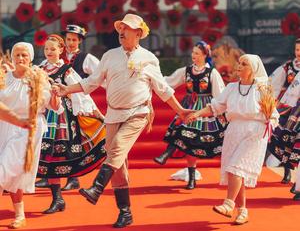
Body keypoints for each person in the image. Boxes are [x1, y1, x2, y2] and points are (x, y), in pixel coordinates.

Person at [53, 13, 192, 228]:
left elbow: (162, 89)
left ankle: (97, 187)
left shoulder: (148, 58)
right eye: (121, 27)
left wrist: (180, 110)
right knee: (118, 165)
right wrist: (67, 89)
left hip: (138, 112)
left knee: (116, 149)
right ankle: (125, 212)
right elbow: (92, 82)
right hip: (113, 114)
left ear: (138, 34)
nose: (122, 31)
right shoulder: (109, 56)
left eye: (127, 28)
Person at [185, 54, 279, 225]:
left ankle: (228, 204)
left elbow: (273, 115)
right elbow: (215, 107)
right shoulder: (231, 88)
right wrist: (196, 114)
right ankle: (242, 211)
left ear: (253, 69)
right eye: (239, 63)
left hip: (254, 133)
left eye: (244, 64)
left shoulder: (262, 88)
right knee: (236, 172)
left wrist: (268, 126)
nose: (239, 66)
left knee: (236, 167)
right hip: (234, 131)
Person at [36, 34, 106, 214]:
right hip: (42, 115)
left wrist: (94, 112)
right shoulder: (39, 69)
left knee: (57, 155)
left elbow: (81, 92)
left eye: (53, 49)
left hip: (62, 118)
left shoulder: (66, 70)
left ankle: (60, 196)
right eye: (46, 49)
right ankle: (57, 198)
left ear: (61, 50)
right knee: (46, 156)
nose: (49, 52)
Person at [0, 42, 61, 229]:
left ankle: (20, 215)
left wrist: (55, 94)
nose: (20, 59)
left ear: (31, 57)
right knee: (13, 175)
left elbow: (55, 107)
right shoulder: (4, 78)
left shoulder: (39, 78)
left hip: (29, 130)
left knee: (4, 169)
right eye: (17, 55)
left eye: (24, 55)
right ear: (11, 57)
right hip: (5, 126)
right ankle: (20, 215)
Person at [154, 41, 226, 190]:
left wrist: (219, 112)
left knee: (193, 141)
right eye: (193, 53)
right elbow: (168, 82)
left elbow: (220, 95)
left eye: (197, 53)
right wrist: (152, 78)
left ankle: (175, 161)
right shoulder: (185, 71)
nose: (193, 56)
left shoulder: (212, 72)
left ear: (205, 55)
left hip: (205, 109)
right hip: (188, 106)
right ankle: (185, 172)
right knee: (183, 132)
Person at [268, 38, 300, 184]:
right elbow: (273, 83)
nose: (298, 53)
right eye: (297, 50)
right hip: (288, 108)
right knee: (284, 139)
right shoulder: (288, 67)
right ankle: (287, 172)